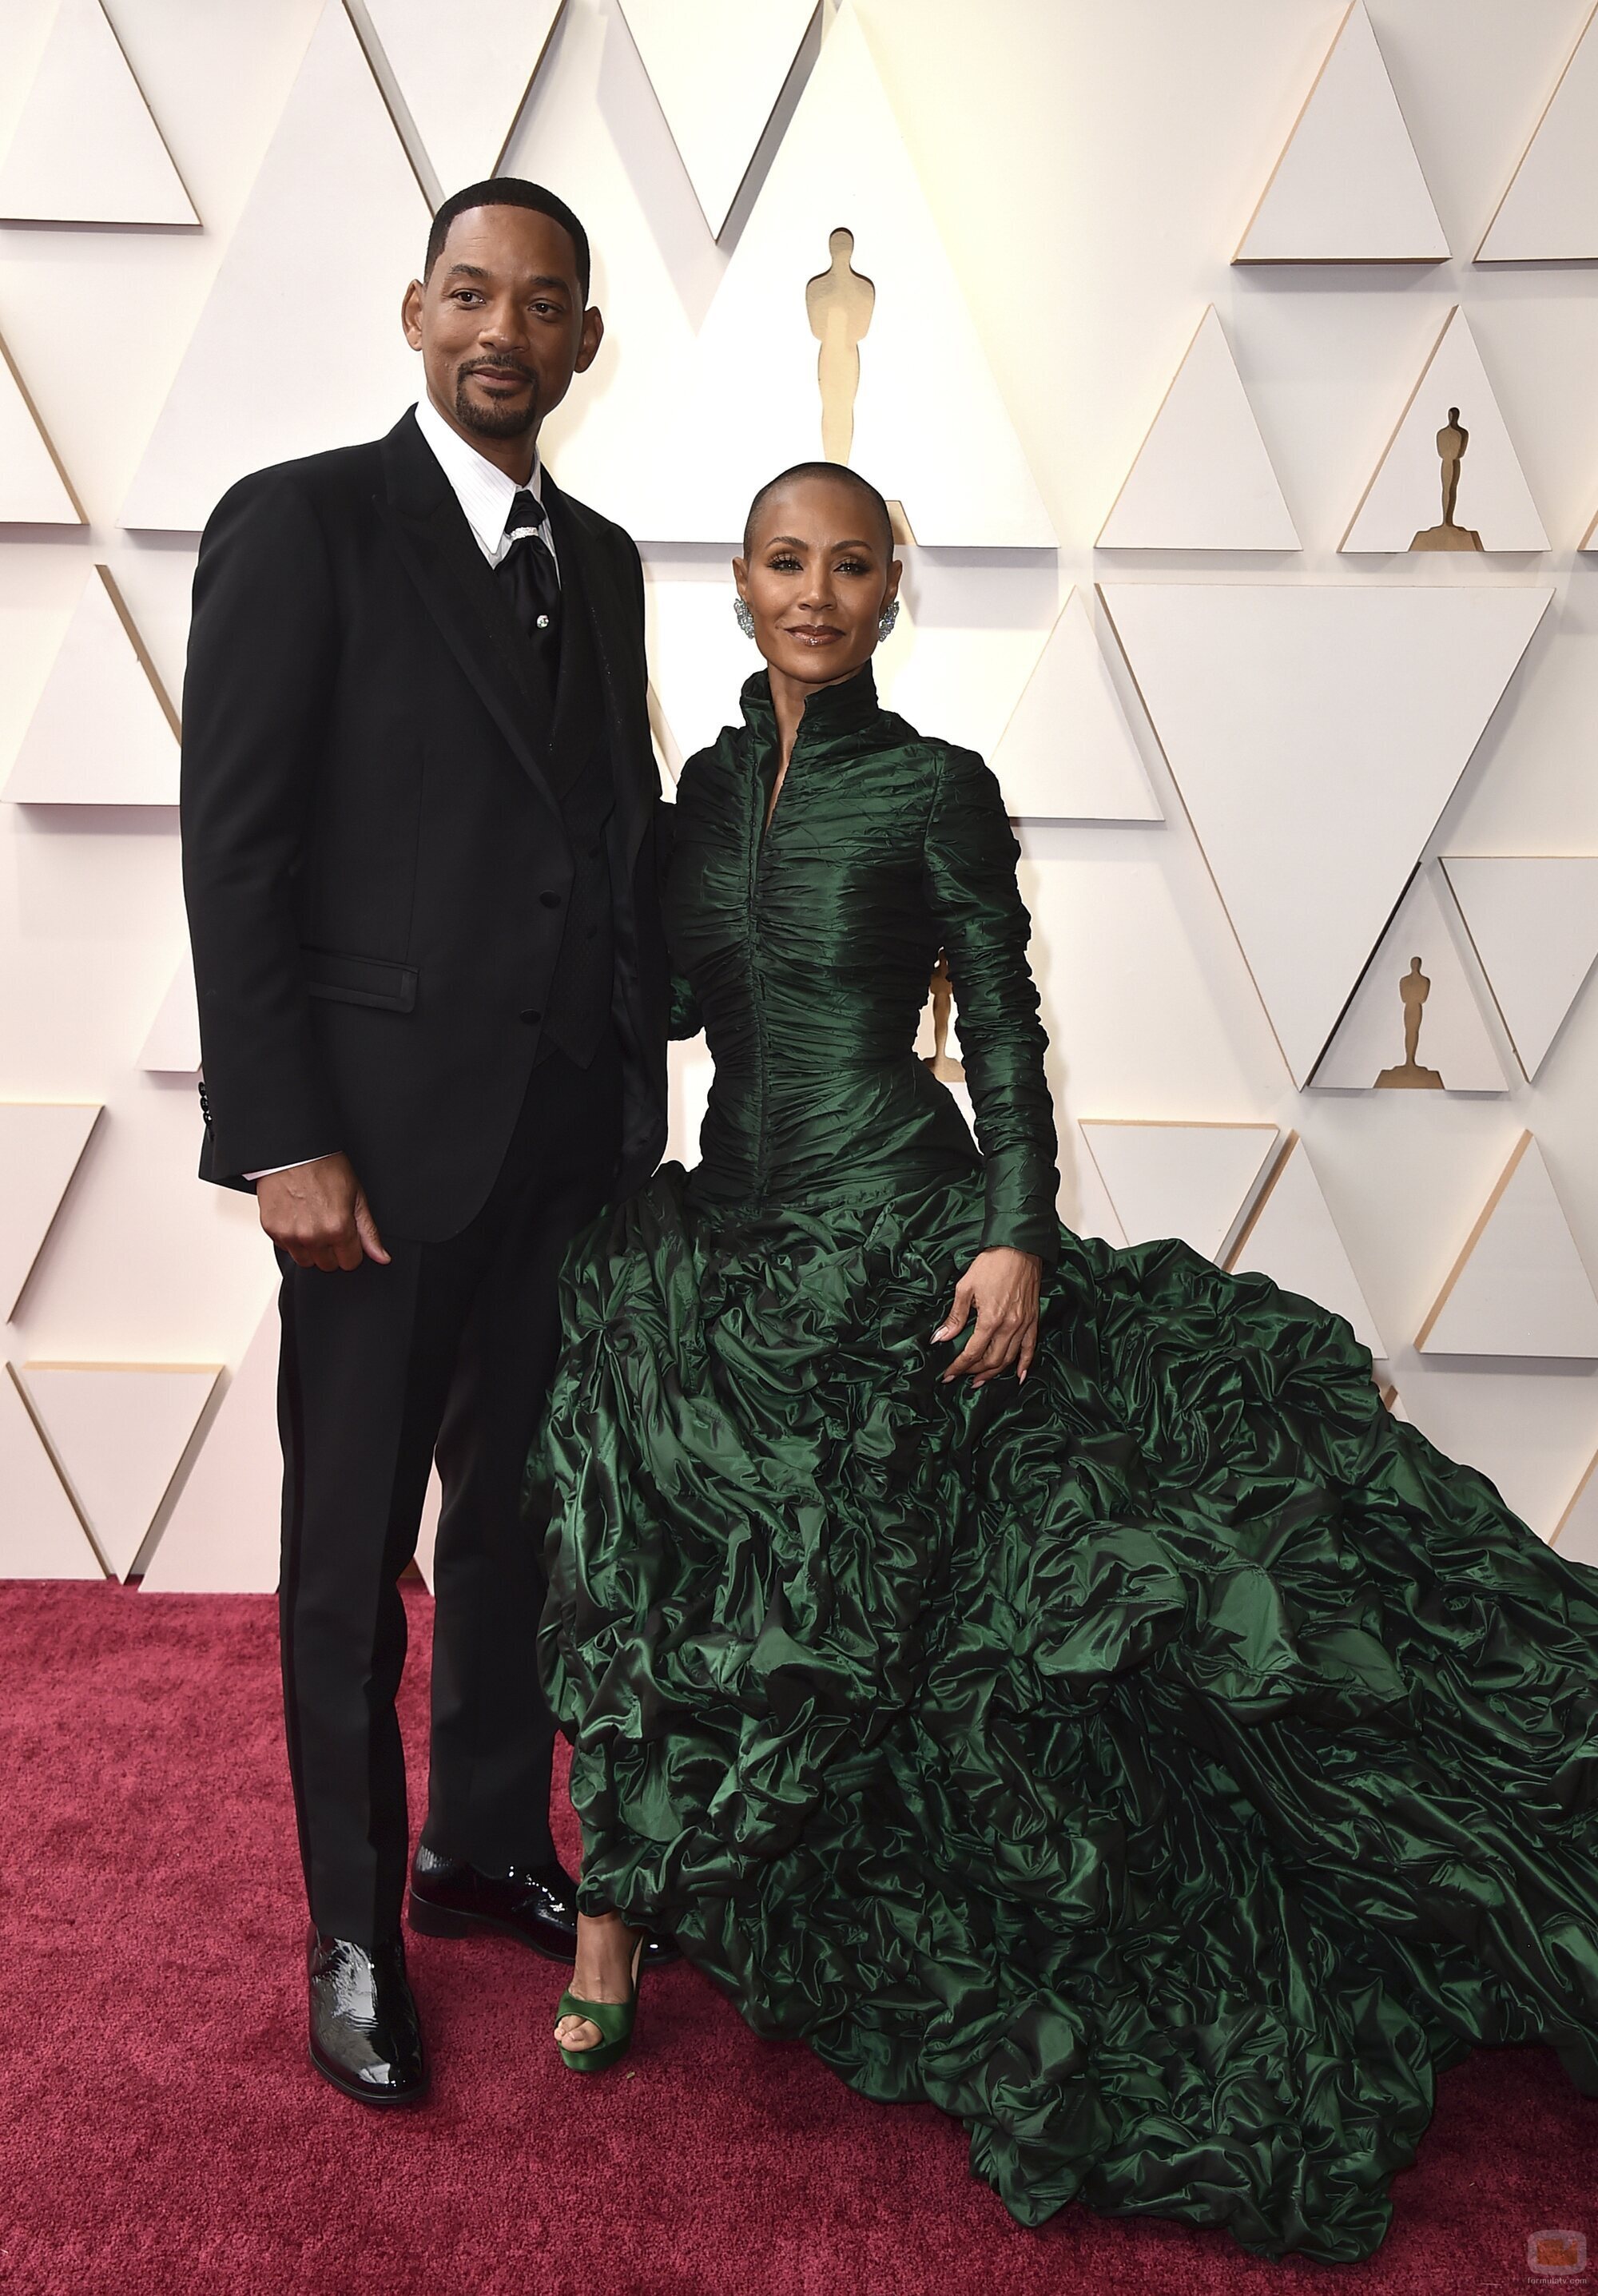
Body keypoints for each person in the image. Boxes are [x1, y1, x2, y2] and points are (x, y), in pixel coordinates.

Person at [535, 459, 1598, 2258]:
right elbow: (649, 1008)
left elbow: (1008, 1029)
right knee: (642, 1534)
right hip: (725, 1238)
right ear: (738, 583)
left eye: (849, 566)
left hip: (909, 1238)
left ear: (890, 591)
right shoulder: (690, 807)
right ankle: (614, 1925)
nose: (814, 594)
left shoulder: (936, 790)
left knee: (1031, 1613)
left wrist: (1015, 1233)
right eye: (784, 563)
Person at [180, 178, 674, 2109]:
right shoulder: (303, 522)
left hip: (565, 1142)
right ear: (412, 311)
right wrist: (282, 1135)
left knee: (521, 1530)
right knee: (345, 1555)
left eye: (541, 305)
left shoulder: (609, 556)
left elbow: (607, 832)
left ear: (581, 345)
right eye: (470, 293)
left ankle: (480, 1846)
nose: (502, 331)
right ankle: (354, 1927)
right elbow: (239, 851)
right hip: (370, 1162)